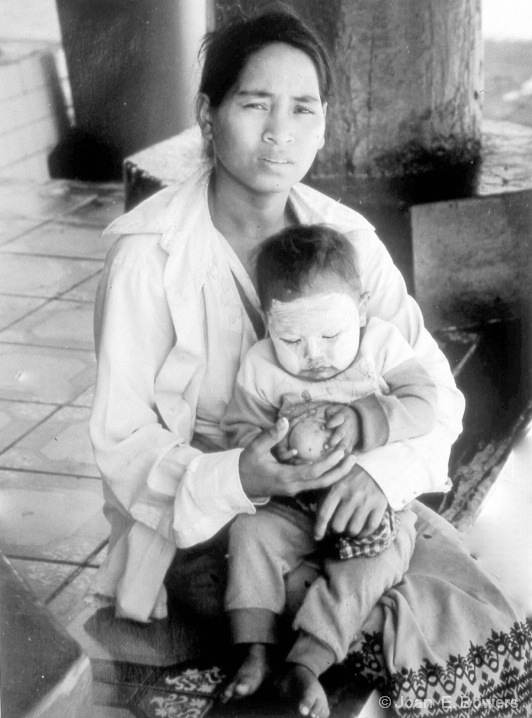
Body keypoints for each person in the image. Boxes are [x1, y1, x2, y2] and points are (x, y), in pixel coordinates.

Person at [88, 7, 532, 717]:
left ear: (325, 122)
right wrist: (242, 474)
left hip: (338, 505)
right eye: (254, 104)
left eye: (303, 108)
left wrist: (375, 471)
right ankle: (292, 662)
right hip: (205, 522)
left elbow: (436, 399)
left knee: (450, 600)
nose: (279, 132)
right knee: (372, 611)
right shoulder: (148, 256)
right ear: (207, 115)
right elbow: (122, 445)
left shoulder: (347, 241)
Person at [221, 224, 437, 717]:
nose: (313, 354)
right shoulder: (260, 366)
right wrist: (269, 452)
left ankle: (307, 663)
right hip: (292, 504)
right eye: (291, 337)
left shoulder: (379, 346)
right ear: (266, 320)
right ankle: (252, 649)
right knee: (249, 534)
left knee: (369, 569)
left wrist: (368, 417)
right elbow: (239, 431)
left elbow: (425, 403)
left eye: (331, 334)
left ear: (361, 308)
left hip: (373, 509)